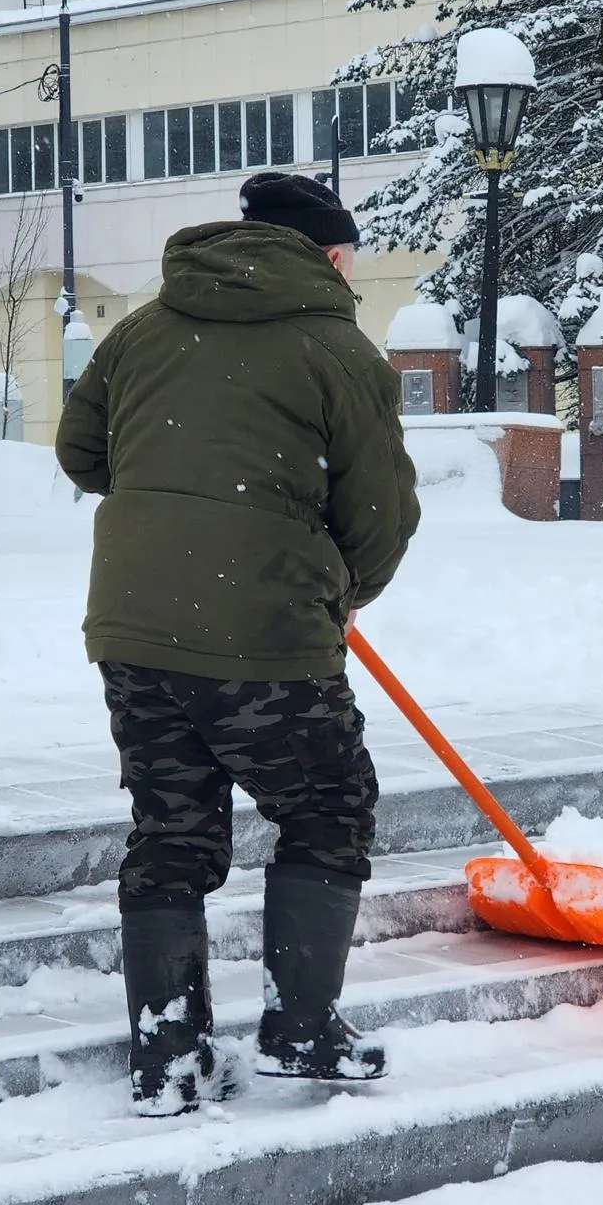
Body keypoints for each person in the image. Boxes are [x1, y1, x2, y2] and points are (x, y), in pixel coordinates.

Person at [56, 172, 421, 1116]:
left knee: (170, 830)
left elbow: (81, 453)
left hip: (133, 626)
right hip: (264, 628)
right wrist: (344, 589)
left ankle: (167, 1058)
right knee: (328, 804)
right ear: (329, 254)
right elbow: (378, 514)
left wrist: (176, 501)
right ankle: (300, 1029)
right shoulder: (335, 347)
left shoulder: (143, 328)